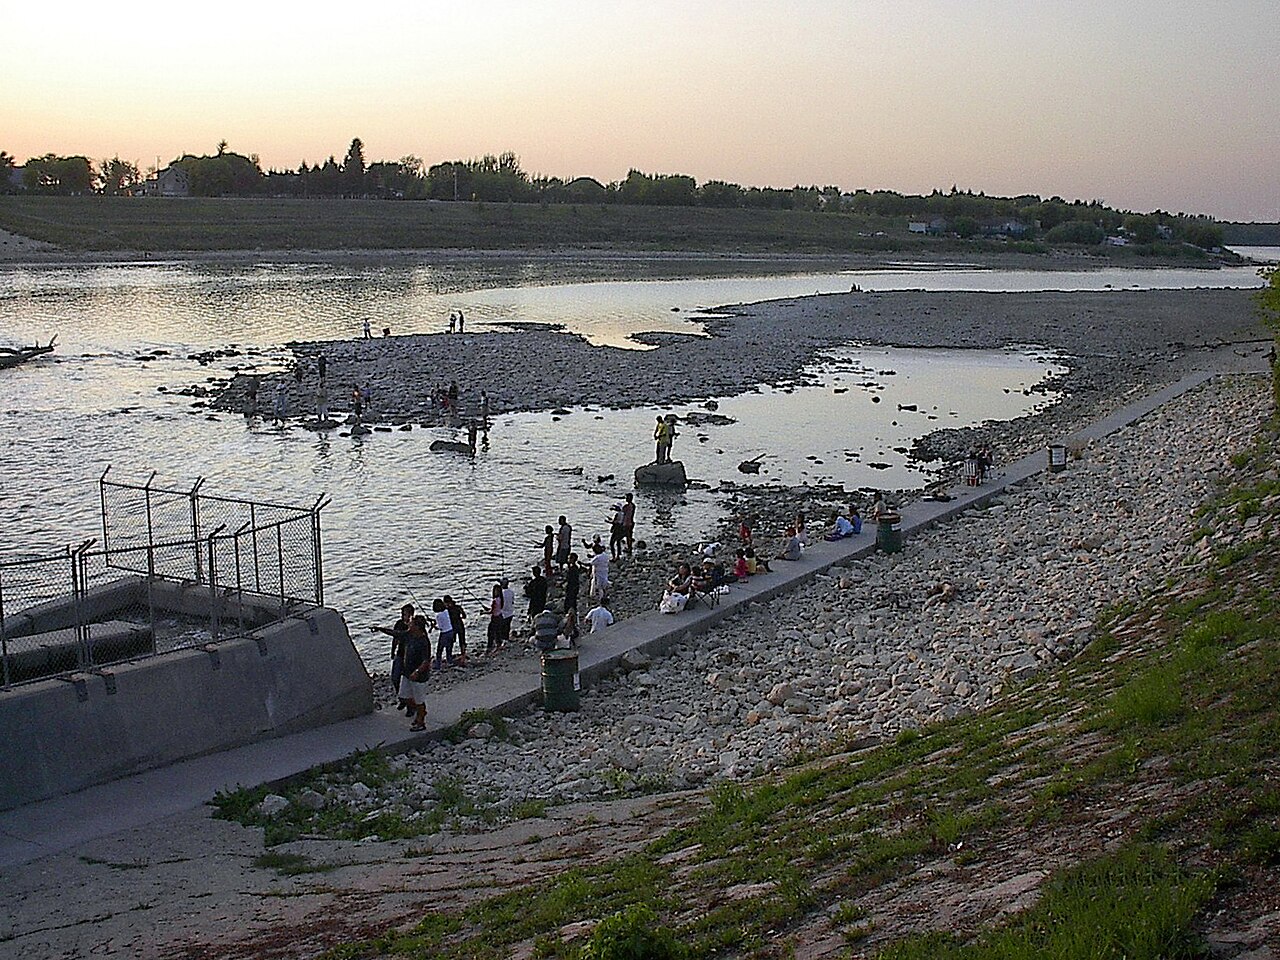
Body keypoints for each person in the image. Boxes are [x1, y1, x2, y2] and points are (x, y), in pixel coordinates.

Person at [369, 602, 414, 714]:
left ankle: (410, 706)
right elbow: (395, 636)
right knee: (395, 678)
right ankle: (402, 699)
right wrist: (392, 651)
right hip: (400, 654)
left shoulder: (413, 626)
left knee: (408, 682)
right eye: (402, 614)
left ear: (411, 614)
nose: (403, 616)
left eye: (405, 614)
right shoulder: (399, 623)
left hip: (409, 657)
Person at [399, 615, 431, 731]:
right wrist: (380, 629)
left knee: (419, 700)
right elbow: (395, 633)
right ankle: (421, 712)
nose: (409, 624)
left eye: (411, 624)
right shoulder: (409, 635)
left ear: (417, 627)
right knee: (403, 696)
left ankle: (421, 722)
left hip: (419, 677)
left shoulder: (423, 641)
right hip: (407, 673)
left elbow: (426, 661)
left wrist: (417, 672)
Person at [443, 595, 467, 665]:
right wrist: (460, 615)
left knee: (451, 642)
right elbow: (464, 616)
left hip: (453, 627)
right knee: (461, 641)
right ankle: (463, 655)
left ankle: (449, 657)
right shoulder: (458, 607)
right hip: (459, 625)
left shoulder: (446, 610)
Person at [432, 598, 455, 669]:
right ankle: (450, 661)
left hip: (444, 633)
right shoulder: (446, 611)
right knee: (449, 648)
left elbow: (440, 627)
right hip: (451, 631)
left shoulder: (438, 615)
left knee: (439, 650)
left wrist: (434, 626)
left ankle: (438, 665)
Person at [486, 582, 503, 655]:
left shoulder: (494, 600)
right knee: (498, 632)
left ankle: (490, 646)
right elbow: (497, 608)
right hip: (500, 617)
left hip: (495, 618)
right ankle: (499, 644)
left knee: (490, 633)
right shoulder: (501, 599)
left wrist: (483, 612)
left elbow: (492, 611)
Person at [499, 577, 516, 645]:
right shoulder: (511, 592)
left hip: (502, 613)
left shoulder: (501, 593)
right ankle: (506, 638)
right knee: (507, 627)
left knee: (501, 628)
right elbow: (512, 602)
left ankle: (502, 641)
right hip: (510, 612)